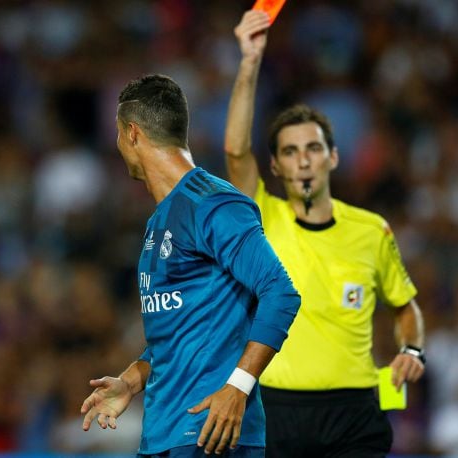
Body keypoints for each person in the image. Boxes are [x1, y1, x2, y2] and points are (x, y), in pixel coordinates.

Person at [223, 10, 426, 457]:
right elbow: (236, 149)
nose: (302, 160)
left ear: (332, 157)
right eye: (290, 152)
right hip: (275, 409)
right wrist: (250, 62)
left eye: (313, 148)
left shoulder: (372, 230)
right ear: (275, 166)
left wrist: (412, 349)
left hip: (354, 411)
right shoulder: (263, 219)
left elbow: (405, 306)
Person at [80, 74, 300, 457]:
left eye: (117, 134)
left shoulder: (213, 204)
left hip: (212, 433)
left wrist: (238, 387)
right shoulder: (160, 219)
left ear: (132, 134)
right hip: (165, 434)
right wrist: (131, 382)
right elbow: (182, 331)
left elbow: (280, 292)